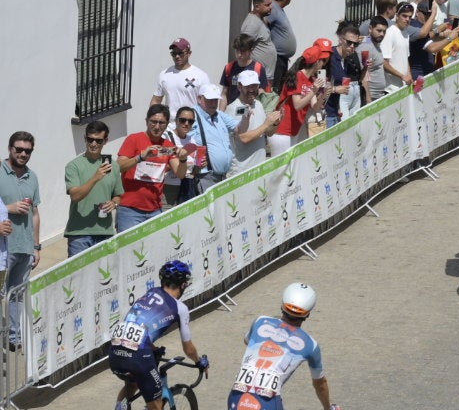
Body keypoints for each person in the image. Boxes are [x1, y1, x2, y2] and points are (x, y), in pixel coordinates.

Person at [109, 260, 208, 410]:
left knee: (132, 384)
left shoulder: (150, 293)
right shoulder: (180, 308)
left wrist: (153, 348)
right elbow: (189, 350)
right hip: (138, 356)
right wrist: (199, 362)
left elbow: (137, 327)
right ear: (183, 285)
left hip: (115, 351)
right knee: (155, 404)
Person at [230, 282, 333, 410]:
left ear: (282, 306)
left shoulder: (260, 321)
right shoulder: (311, 345)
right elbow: (320, 384)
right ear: (308, 314)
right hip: (268, 401)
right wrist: (328, 407)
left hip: (237, 396)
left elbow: (247, 341)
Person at [1, 131, 40, 340]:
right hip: (3, 247)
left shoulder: (32, 176)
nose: (23, 154)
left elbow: (35, 213)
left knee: (16, 295)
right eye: (19, 149)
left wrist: (36, 246)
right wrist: (9, 208)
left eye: (28, 150)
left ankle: (14, 338)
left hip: (24, 246)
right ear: (10, 149)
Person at [116, 106, 180, 232]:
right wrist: (140, 157)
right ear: (146, 121)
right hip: (130, 210)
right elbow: (118, 166)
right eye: (153, 122)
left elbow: (180, 173)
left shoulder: (167, 146)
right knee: (129, 250)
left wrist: (182, 158)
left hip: (155, 210)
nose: (157, 126)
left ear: (167, 124)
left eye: (161, 123)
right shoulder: (133, 139)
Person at [64, 120, 122, 256]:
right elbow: (75, 196)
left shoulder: (113, 166)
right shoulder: (74, 166)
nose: (93, 144)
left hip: (105, 232)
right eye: (90, 139)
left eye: (98, 141)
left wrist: (113, 203)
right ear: (85, 138)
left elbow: (118, 195)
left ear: (105, 141)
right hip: (79, 234)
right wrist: (96, 177)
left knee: (104, 276)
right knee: (78, 276)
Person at [226, 73, 279, 176]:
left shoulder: (258, 104)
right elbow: (243, 137)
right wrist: (266, 124)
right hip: (241, 172)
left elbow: (268, 133)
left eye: (254, 86)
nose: (251, 89)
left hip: (258, 169)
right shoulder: (235, 108)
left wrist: (275, 123)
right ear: (239, 87)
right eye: (247, 86)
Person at [152, 39, 210, 118]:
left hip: (191, 124)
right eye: (174, 53)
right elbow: (156, 100)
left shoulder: (201, 76)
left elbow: (207, 103)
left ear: (189, 53)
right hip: (170, 125)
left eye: (181, 53)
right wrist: (152, 117)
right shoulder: (164, 74)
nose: (177, 56)